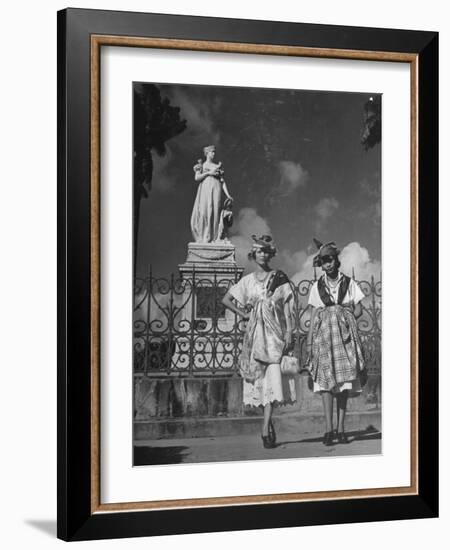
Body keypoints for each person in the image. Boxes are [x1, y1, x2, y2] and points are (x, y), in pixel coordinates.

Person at [222, 235, 296, 449]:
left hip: (274, 335)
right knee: (258, 380)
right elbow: (226, 299)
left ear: (271, 254)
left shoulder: (279, 277)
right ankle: (268, 421)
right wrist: (242, 314)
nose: (262, 254)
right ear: (253, 254)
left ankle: (265, 427)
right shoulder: (247, 281)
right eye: (259, 251)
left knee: (273, 378)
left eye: (266, 251)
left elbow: (289, 307)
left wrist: (290, 330)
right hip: (255, 335)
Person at [306, 239, 367, 446]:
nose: (327, 264)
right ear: (321, 264)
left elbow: (359, 309)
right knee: (325, 385)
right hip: (324, 338)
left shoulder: (349, 283)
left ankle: (341, 429)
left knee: (343, 384)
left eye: (330, 260)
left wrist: (347, 315)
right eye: (323, 262)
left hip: (344, 338)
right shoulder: (317, 286)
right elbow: (314, 313)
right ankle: (328, 430)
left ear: (336, 260)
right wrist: (308, 340)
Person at [190, 145, 233, 243]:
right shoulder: (201, 166)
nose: (213, 154)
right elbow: (197, 178)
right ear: (207, 153)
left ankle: (215, 237)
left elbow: (222, 182)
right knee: (205, 210)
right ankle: (205, 236)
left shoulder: (216, 166)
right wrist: (209, 173)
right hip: (205, 189)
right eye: (212, 152)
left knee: (215, 211)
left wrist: (228, 194)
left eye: (214, 152)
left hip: (216, 189)